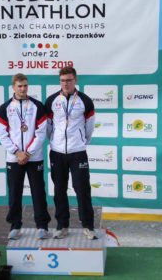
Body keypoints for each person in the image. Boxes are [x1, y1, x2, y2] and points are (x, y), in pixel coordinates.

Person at [0, 73, 51, 240]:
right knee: (14, 193)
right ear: (13, 87)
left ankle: (42, 226)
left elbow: (41, 133)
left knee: (38, 192)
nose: (23, 89)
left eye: (25, 86)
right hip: (14, 158)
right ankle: (15, 226)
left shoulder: (37, 106)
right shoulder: (5, 107)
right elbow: (2, 134)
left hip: (34, 158)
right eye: (19, 86)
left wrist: (28, 153)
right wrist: (16, 152)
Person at [45, 66, 97, 240]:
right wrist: (55, 142)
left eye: (68, 80)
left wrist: (81, 143)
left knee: (82, 190)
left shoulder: (85, 101)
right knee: (59, 190)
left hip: (78, 152)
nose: (65, 84)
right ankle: (62, 225)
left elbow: (89, 128)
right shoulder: (52, 100)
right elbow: (49, 127)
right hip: (57, 152)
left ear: (76, 80)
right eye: (62, 81)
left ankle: (88, 226)